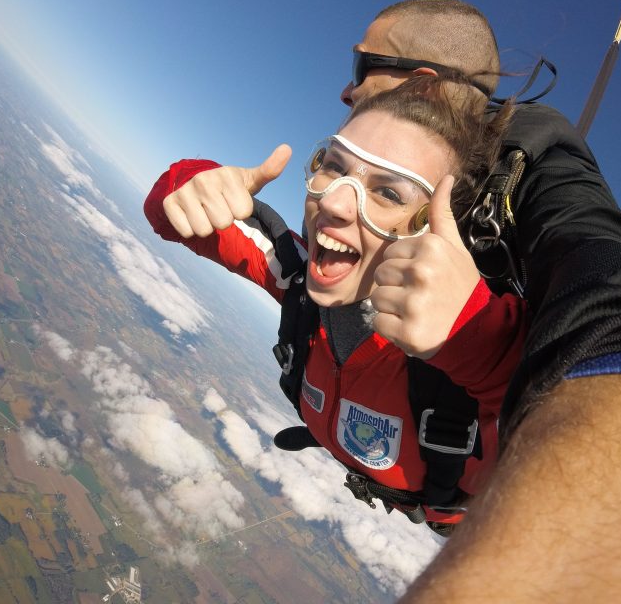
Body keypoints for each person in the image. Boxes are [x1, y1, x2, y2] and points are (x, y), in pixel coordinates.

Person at [338, 0, 621, 602]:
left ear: (423, 85)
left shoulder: (536, 173)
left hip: (453, 491)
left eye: (361, 68)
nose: (346, 93)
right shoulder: (363, 180)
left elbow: (617, 297)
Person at [144, 77, 529, 533]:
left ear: (435, 229)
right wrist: (194, 183)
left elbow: (565, 428)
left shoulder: (479, 355)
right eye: (332, 166)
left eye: (388, 192)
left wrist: (474, 335)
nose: (335, 201)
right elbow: (174, 218)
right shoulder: (298, 277)